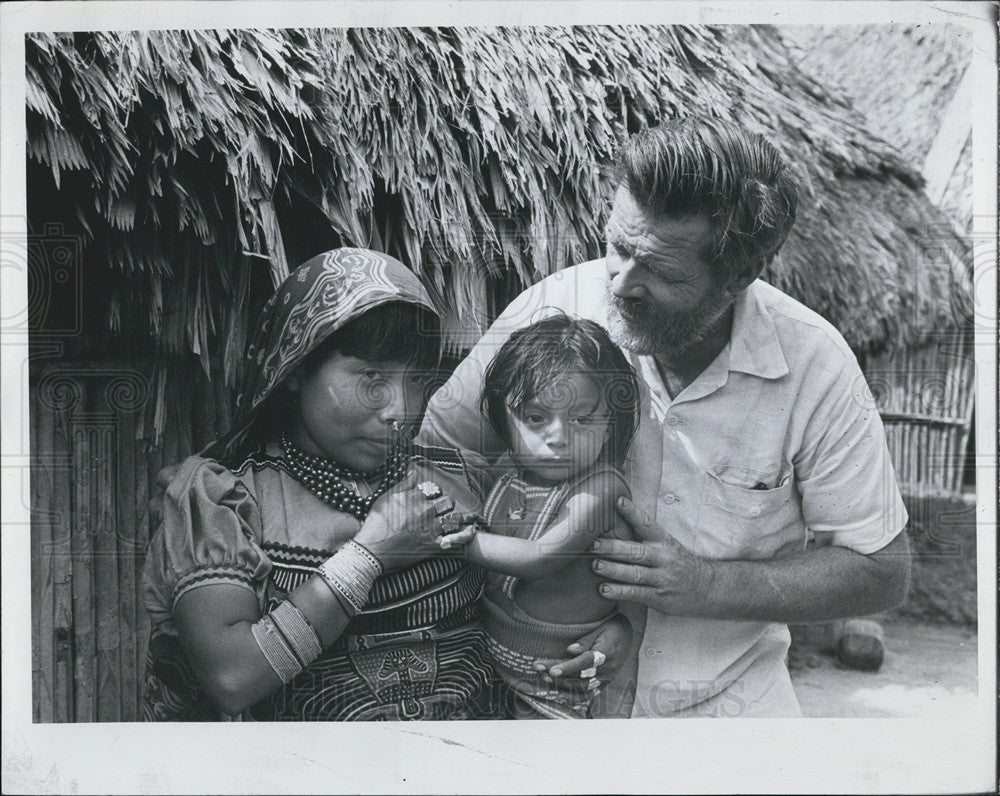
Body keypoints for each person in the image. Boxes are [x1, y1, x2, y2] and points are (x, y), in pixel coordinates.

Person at [418, 117, 912, 718]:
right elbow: (439, 454)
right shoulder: (555, 310)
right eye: (618, 248)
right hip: (537, 709)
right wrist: (530, 606)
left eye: (661, 270)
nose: (622, 284)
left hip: (727, 719)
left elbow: (881, 569)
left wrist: (709, 585)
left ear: (738, 276)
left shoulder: (816, 366)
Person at [142, 247, 621, 721]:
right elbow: (233, 678)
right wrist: (369, 554)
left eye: (415, 380)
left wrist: (613, 632)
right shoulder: (225, 501)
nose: (401, 409)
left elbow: (549, 578)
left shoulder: (460, 475)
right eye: (372, 376)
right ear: (297, 369)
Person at [461, 315, 639, 718]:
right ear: (505, 417)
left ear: (610, 426)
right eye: (536, 418)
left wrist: (460, 540)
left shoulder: (601, 490)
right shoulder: (505, 474)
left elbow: (542, 557)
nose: (558, 436)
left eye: (581, 419)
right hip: (487, 671)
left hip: (554, 688)